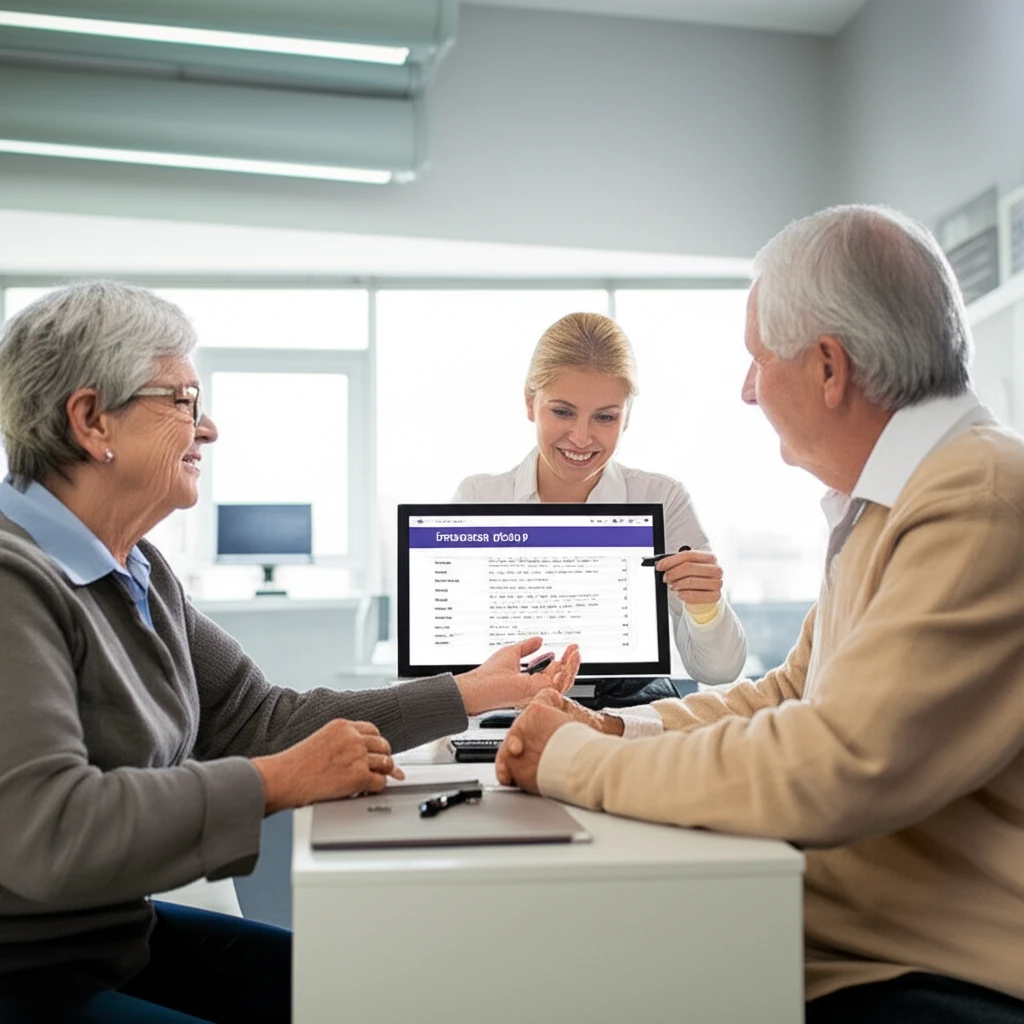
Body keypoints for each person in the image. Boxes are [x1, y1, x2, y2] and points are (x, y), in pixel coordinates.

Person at [496, 206, 1024, 1023]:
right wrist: (619, 732)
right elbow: (789, 694)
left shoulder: (977, 500)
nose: (747, 389)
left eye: (757, 358)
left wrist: (569, 762)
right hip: (847, 947)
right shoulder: (889, 504)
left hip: (931, 979)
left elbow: (831, 759)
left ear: (827, 368)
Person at [0, 282, 580, 1024]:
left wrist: (473, 690)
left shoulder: (138, 571)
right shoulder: (15, 578)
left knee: (368, 997)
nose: (206, 428)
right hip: (23, 971)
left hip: (113, 938)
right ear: (90, 421)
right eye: (182, 400)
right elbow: (48, 827)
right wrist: (276, 782)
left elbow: (259, 715)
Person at [452, 311, 747, 685]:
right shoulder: (479, 499)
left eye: (605, 418)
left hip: (627, 719)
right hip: (505, 712)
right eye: (562, 412)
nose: (580, 437)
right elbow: (457, 663)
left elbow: (717, 671)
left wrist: (706, 605)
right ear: (530, 403)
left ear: (627, 417)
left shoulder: (662, 498)